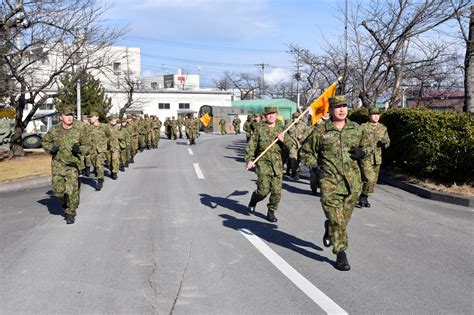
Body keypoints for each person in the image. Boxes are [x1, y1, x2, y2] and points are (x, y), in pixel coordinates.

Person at [300, 95, 368, 271]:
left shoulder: (357, 129)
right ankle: (341, 254)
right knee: (338, 222)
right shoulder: (321, 131)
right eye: (337, 106)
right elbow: (306, 153)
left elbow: (367, 147)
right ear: (330, 110)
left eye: (344, 106)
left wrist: (363, 152)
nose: (342, 109)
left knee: (342, 221)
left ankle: (329, 226)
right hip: (330, 183)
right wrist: (314, 168)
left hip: (352, 184)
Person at [42, 105, 89, 224]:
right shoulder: (55, 129)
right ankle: (65, 201)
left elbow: (88, 146)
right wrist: (50, 149)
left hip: (73, 164)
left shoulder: (80, 128)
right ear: (61, 117)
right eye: (66, 115)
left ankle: (70, 213)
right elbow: (45, 141)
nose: (69, 117)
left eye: (71, 115)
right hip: (58, 164)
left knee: (72, 189)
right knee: (58, 191)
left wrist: (80, 149)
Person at [245, 107, 293, 223]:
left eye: (273, 114)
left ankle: (271, 211)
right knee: (263, 190)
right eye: (268, 114)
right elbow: (251, 145)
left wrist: (283, 140)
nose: (271, 116)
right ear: (265, 116)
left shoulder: (282, 129)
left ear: (277, 115)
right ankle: (254, 199)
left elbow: (291, 146)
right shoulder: (259, 128)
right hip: (263, 162)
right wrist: (249, 160)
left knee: (276, 191)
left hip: (277, 163)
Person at [358, 107, 390, 207]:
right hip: (365, 156)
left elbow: (388, 142)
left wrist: (385, 143)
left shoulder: (383, 128)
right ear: (369, 116)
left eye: (377, 114)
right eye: (373, 114)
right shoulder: (362, 127)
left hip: (377, 157)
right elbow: (355, 139)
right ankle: (362, 197)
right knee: (370, 178)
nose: (376, 116)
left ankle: (364, 196)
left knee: (373, 181)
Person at [285, 111, 312, 180]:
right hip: (292, 146)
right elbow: (285, 135)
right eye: (295, 118)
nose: (296, 119)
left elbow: (308, 132)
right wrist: (289, 143)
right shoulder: (288, 125)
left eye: (297, 118)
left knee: (298, 160)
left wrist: (302, 136)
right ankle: (295, 173)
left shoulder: (303, 125)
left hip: (301, 145)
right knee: (293, 159)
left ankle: (294, 172)